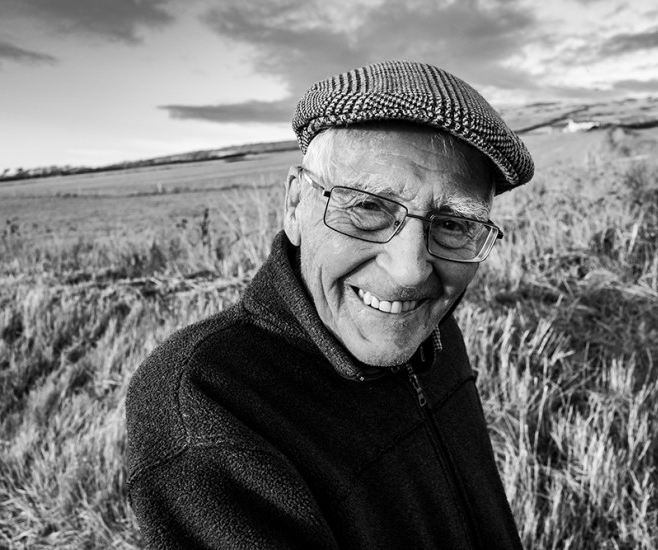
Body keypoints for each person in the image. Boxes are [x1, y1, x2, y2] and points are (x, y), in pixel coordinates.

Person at [126, 60, 535, 549]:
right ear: (296, 205)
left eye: (453, 223)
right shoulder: (211, 400)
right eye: (367, 206)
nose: (410, 271)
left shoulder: (435, 331)